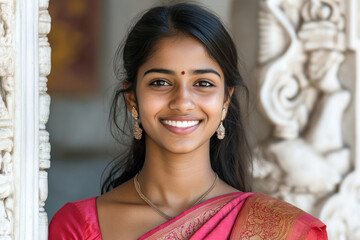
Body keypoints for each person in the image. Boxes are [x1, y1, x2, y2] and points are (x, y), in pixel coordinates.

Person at [49, 2, 328, 239]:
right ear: (132, 98)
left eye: (203, 83)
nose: (182, 101)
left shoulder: (282, 230)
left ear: (225, 101)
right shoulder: (80, 227)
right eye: (160, 82)